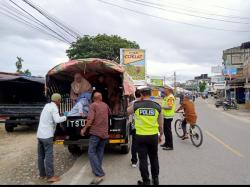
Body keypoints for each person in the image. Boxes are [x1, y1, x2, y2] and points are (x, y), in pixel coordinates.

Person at [127, 86, 164, 185]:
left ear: (142, 94)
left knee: (143, 159)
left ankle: (146, 181)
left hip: (140, 136)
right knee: (154, 158)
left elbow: (126, 111)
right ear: (151, 94)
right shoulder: (157, 106)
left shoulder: (137, 105)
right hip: (153, 136)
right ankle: (155, 180)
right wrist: (160, 135)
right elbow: (161, 125)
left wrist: (138, 100)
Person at [80, 92, 111, 185]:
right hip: (104, 132)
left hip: (96, 132)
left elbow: (90, 119)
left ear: (93, 99)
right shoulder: (105, 105)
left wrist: (84, 129)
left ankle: (99, 173)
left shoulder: (93, 105)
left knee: (91, 152)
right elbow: (110, 113)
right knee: (99, 152)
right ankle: (97, 169)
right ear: (101, 97)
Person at [37, 93, 67, 183]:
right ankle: (50, 176)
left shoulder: (47, 106)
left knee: (41, 156)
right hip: (47, 136)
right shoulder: (54, 107)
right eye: (60, 100)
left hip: (40, 135)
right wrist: (66, 116)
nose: (60, 101)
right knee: (49, 156)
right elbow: (57, 120)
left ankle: (42, 174)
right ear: (58, 100)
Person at [129, 89, 141, 168]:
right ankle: (144, 160)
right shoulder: (145, 103)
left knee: (134, 144)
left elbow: (128, 112)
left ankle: (134, 161)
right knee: (143, 145)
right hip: (144, 127)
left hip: (135, 126)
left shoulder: (133, 103)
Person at [161, 86, 176, 151]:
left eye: (165, 89)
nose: (164, 90)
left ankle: (170, 146)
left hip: (168, 116)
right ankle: (166, 143)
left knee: (168, 132)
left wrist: (162, 107)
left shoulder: (170, 97)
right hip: (165, 116)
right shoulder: (166, 96)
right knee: (165, 131)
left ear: (169, 90)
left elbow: (169, 107)